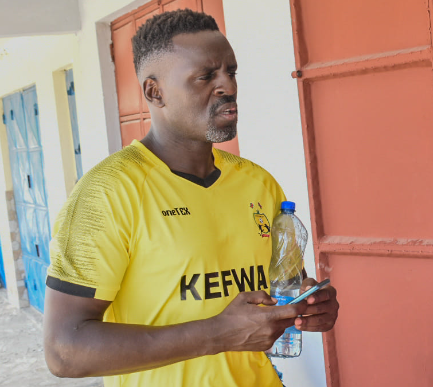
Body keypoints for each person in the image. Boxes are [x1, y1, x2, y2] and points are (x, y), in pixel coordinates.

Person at [42, 9, 338, 387]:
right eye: (205, 76)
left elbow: (284, 286)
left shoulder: (257, 184)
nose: (227, 86)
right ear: (154, 92)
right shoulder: (108, 193)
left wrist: (308, 306)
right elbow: (64, 350)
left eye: (231, 72)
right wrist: (218, 333)